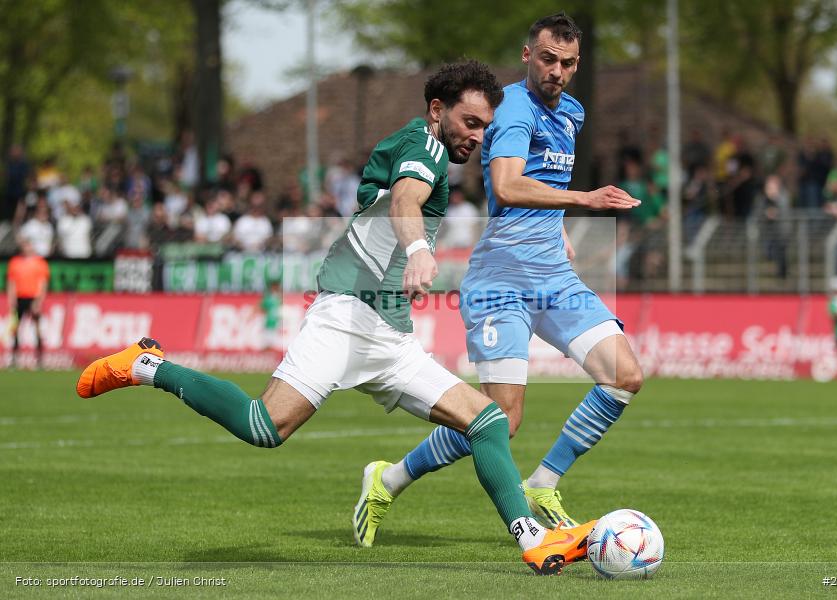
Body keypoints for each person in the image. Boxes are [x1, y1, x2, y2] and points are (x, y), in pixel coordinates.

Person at [74, 60, 589, 576]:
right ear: (438, 110)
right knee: (264, 426)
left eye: (485, 127)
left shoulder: (422, 144)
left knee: (488, 421)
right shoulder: (426, 148)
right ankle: (148, 366)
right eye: (470, 122)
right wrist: (416, 248)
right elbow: (407, 198)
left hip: (389, 335)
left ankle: (532, 539)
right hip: (345, 316)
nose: (477, 136)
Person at [359, 13, 641, 542]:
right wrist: (584, 199)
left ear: (577, 64)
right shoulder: (511, 110)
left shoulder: (572, 112)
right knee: (500, 421)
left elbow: (537, 186)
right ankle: (389, 478)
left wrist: (555, 227)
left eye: (568, 62)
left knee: (624, 376)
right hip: (501, 281)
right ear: (527, 55)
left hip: (553, 276)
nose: (557, 71)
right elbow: (508, 186)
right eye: (548, 59)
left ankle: (544, 480)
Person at [7, 238, 50, 368]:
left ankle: (40, 359)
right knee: (16, 328)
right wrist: (11, 299)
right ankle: (14, 359)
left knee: (37, 328)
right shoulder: (15, 262)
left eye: (28, 245)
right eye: (24, 246)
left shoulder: (40, 263)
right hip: (19, 298)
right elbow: (11, 282)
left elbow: (43, 283)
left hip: (33, 298)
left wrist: (38, 301)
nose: (27, 248)